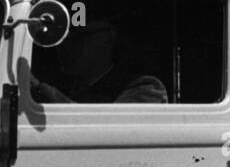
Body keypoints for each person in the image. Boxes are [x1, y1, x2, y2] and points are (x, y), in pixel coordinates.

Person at [30, 16, 168, 104]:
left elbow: (106, 129)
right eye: (61, 40)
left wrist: (38, 88)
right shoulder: (67, 86)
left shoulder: (144, 88)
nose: (66, 47)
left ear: (108, 38)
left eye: (80, 38)